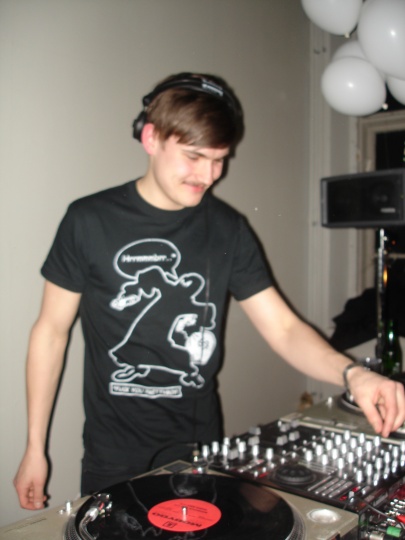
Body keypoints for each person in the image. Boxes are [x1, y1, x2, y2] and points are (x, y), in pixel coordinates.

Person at [14, 72, 405, 511]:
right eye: (195, 157)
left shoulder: (228, 228)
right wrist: (35, 448)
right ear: (150, 138)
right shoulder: (87, 221)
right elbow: (50, 332)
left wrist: (354, 374)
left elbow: (283, 329)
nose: (209, 175)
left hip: (199, 446)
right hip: (113, 450)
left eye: (220, 160)